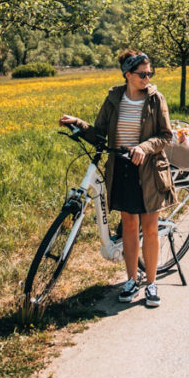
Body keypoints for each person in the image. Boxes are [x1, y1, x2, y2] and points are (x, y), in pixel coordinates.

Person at [59, 49, 176, 308]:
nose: (147, 78)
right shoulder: (114, 99)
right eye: (142, 74)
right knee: (129, 227)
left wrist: (143, 148)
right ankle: (132, 280)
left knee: (149, 228)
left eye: (150, 73)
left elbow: (166, 136)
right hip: (121, 170)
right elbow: (100, 132)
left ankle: (152, 284)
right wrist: (78, 123)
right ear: (127, 75)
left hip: (148, 170)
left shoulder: (157, 100)